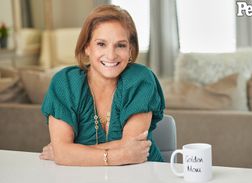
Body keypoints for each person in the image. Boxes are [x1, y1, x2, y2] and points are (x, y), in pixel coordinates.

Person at [39, 4, 165, 166]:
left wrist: (72, 153)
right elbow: (63, 153)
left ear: (131, 50)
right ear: (87, 47)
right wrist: (119, 155)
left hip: (142, 173)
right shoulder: (65, 83)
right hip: (82, 179)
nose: (111, 55)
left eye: (120, 45)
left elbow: (132, 146)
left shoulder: (141, 79)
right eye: (101, 44)